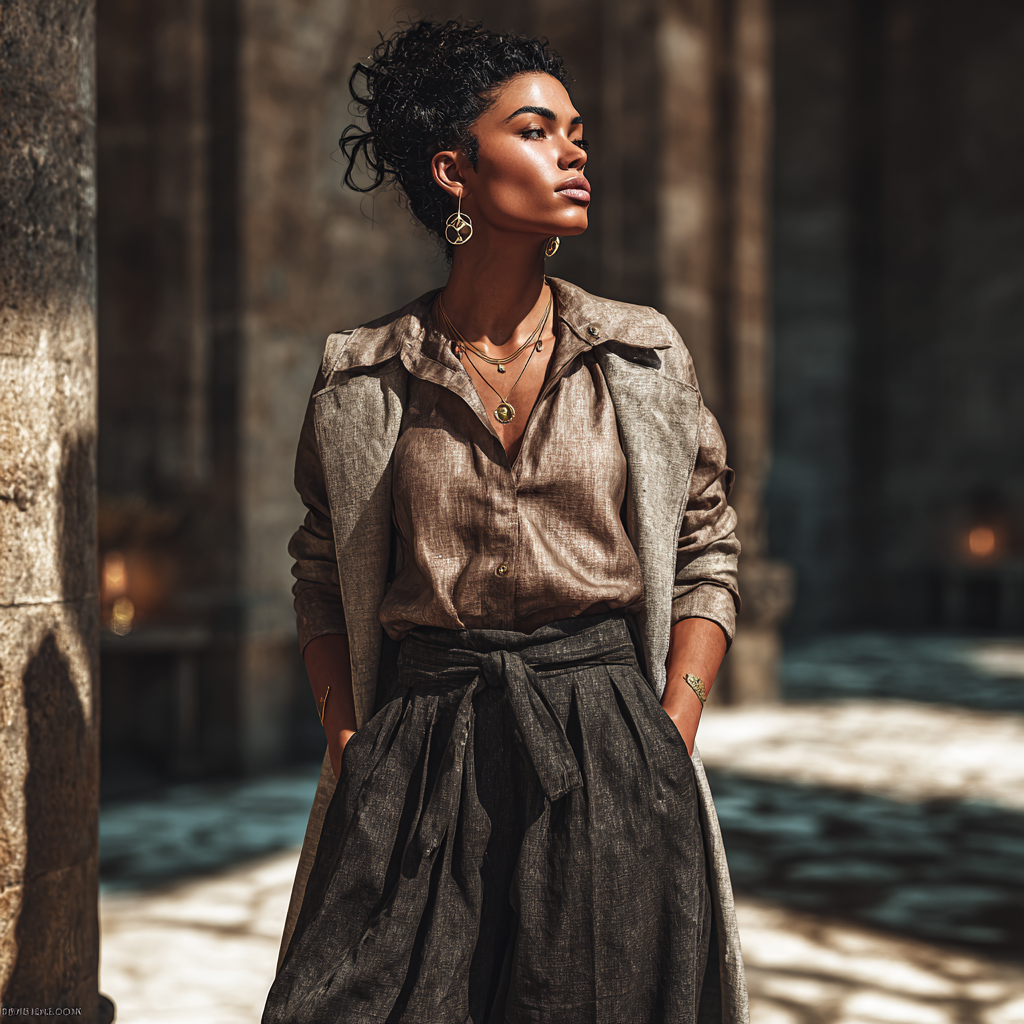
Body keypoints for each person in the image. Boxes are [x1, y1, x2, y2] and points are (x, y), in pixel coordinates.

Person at [263, 18, 747, 1024]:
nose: (573, 151)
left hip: (606, 746)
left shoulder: (639, 355)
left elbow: (707, 547)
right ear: (454, 170)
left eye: (576, 131)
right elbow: (320, 566)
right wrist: (353, 739)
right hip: (419, 745)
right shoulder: (361, 374)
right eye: (536, 130)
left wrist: (670, 731)